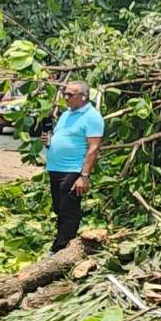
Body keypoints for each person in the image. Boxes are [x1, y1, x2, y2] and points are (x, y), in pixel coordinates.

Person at [41, 81, 104, 252]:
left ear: (83, 97)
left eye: (70, 94)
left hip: (73, 169)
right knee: (59, 207)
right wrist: (49, 142)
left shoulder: (92, 117)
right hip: (56, 168)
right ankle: (65, 241)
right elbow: (63, 137)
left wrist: (84, 176)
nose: (65, 97)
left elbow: (93, 148)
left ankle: (60, 249)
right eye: (65, 93)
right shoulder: (66, 114)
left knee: (69, 209)